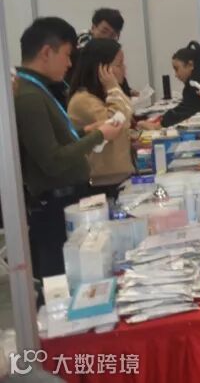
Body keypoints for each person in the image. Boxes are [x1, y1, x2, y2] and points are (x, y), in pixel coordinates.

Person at [15, 18, 123, 282]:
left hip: (66, 199)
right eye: (66, 54)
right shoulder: (29, 96)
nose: (70, 64)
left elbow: (55, 141)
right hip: (54, 206)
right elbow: (52, 160)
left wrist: (84, 133)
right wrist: (99, 135)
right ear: (46, 52)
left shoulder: (38, 90)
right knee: (63, 280)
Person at [67, 39, 139, 197]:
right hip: (101, 185)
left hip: (117, 178)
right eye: (119, 65)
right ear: (101, 69)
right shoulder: (83, 100)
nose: (124, 69)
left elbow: (126, 114)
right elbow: (117, 120)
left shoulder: (101, 97)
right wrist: (113, 87)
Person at [160, 42, 200, 127]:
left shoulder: (196, 83)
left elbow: (184, 109)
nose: (176, 75)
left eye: (176, 69)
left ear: (190, 65)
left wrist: (160, 124)